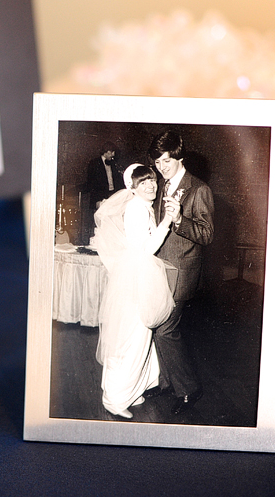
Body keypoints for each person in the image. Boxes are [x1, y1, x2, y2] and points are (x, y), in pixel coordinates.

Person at [92, 164, 175, 418]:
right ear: (133, 188)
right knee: (132, 338)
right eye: (143, 183)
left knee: (139, 336)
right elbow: (146, 248)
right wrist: (168, 221)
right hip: (137, 277)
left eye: (152, 180)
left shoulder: (143, 206)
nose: (150, 185)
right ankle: (114, 400)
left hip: (138, 275)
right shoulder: (137, 208)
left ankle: (131, 389)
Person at [144, 130, 214, 415]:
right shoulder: (161, 185)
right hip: (160, 269)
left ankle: (188, 390)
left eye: (165, 161)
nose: (161, 168)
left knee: (165, 330)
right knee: (157, 326)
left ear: (179, 157)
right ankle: (166, 381)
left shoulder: (198, 189)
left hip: (182, 271)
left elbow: (207, 235)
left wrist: (180, 221)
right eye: (157, 163)